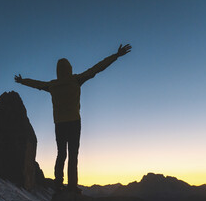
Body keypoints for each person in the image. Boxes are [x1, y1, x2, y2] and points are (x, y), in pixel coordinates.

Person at [15, 44, 132, 193]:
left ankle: (58, 185)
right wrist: (116, 56)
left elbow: (36, 84)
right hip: (74, 122)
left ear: (58, 71)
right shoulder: (76, 80)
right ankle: (72, 186)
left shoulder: (52, 85)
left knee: (61, 154)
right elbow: (97, 68)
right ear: (69, 69)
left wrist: (22, 80)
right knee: (73, 154)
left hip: (59, 124)